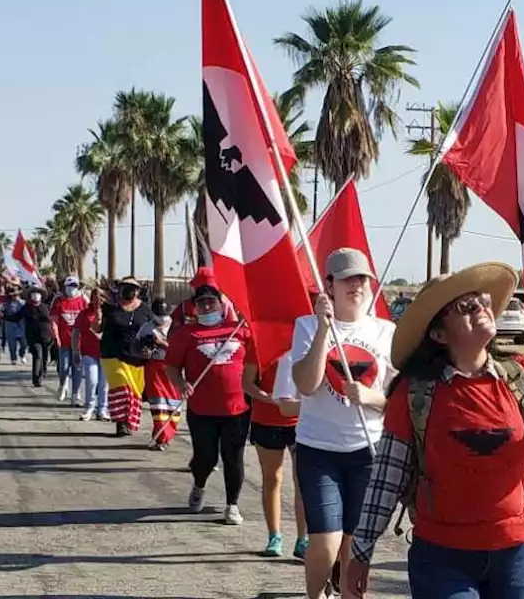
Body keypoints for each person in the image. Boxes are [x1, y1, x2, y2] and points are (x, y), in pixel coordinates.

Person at [346, 262, 524, 599]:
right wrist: (360, 554)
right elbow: (386, 478)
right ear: (439, 334)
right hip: (441, 557)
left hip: (517, 553)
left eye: (481, 300)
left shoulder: (521, 375)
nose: (480, 307)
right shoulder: (415, 392)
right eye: (464, 307)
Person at [275, 248, 396, 599]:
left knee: (355, 547)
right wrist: (324, 330)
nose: (356, 285)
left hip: (369, 452)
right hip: (318, 451)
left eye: (362, 278)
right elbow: (306, 384)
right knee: (326, 543)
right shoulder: (307, 326)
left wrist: (370, 398)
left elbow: (399, 402)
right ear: (329, 285)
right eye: (347, 278)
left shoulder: (386, 332)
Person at [164, 283, 251, 525]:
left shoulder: (239, 330)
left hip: (237, 409)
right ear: (196, 307)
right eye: (201, 302)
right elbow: (171, 367)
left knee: (233, 458)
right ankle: (199, 485)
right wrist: (181, 384)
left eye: (211, 301)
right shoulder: (186, 334)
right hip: (202, 410)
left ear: (221, 305)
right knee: (206, 458)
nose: (207, 305)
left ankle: (232, 505)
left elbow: (256, 361)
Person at [244, 333, 308, 559]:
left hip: (302, 421)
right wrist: (270, 398)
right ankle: (274, 536)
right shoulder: (261, 339)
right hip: (267, 420)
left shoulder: (311, 339)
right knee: (272, 478)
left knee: (304, 481)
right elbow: (247, 383)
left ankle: (303, 539)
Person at [95, 277, 153, 437]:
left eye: (132, 288)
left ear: (138, 291)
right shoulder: (110, 307)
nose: (128, 290)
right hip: (112, 355)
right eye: (125, 287)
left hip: (137, 357)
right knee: (122, 389)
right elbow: (98, 328)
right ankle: (121, 423)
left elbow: (153, 330)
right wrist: (97, 315)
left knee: (135, 391)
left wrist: (152, 347)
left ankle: (129, 421)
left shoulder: (145, 310)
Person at [139, 298, 181, 450]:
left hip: (173, 369)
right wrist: (143, 350)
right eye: (158, 314)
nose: (161, 317)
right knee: (158, 404)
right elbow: (136, 346)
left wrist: (163, 344)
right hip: (154, 368)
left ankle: (166, 435)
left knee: (173, 404)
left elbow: (182, 350)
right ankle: (161, 437)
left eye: (164, 314)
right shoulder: (146, 327)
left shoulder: (177, 328)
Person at [52, 276, 89, 404]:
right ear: (65, 287)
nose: (73, 289)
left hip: (79, 343)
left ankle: (75, 394)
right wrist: (56, 336)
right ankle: (63, 385)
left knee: (77, 368)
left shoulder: (83, 300)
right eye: (70, 286)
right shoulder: (58, 300)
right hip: (64, 341)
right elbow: (54, 320)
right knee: (63, 367)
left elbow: (89, 318)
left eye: (75, 286)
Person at [74, 289, 109, 422]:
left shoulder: (109, 314)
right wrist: (75, 351)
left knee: (103, 384)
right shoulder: (84, 314)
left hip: (105, 353)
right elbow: (76, 332)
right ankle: (89, 408)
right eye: (96, 297)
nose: (98, 299)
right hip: (89, 353)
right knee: (91, 381)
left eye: (101, 297)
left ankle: (102, 410)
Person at [21, 286, 55, 388]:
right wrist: (3, 315)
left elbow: (53, 319)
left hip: (47, 337)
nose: (36, 295)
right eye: (33, 293)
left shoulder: (46, 307)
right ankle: (36, 379)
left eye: (37, 293)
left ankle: (43, 372)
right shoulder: (26, 308)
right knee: (37, 355)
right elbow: (16, 316)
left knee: (44, 356)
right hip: (33, 337)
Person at [1, 286, 26, 365]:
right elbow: (2, 313)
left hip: (21, 326)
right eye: (13, 295)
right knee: (12, 345)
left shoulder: (23, 303)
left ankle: (22, 355)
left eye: (16, 295)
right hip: (10, 326)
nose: (15, 296)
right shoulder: (6, 304)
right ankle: (13, 358)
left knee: (23, 344)